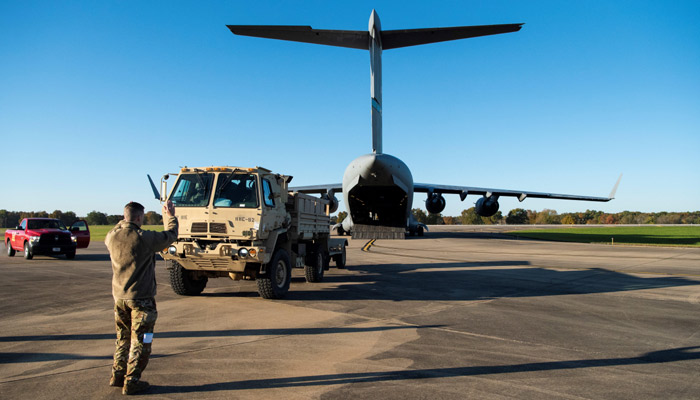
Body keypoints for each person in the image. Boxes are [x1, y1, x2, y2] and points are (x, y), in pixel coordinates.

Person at [105, 200, 178, 395]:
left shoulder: (112, 236)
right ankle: (132, 381)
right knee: (142, 341)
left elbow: (119, 227)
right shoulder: (143, 237)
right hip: (141, 300)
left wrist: (124, 222)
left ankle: (117, 374)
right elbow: (170, 236)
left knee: (122, 338)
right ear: (138, 218)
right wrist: (170, 216)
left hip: (119, 298)